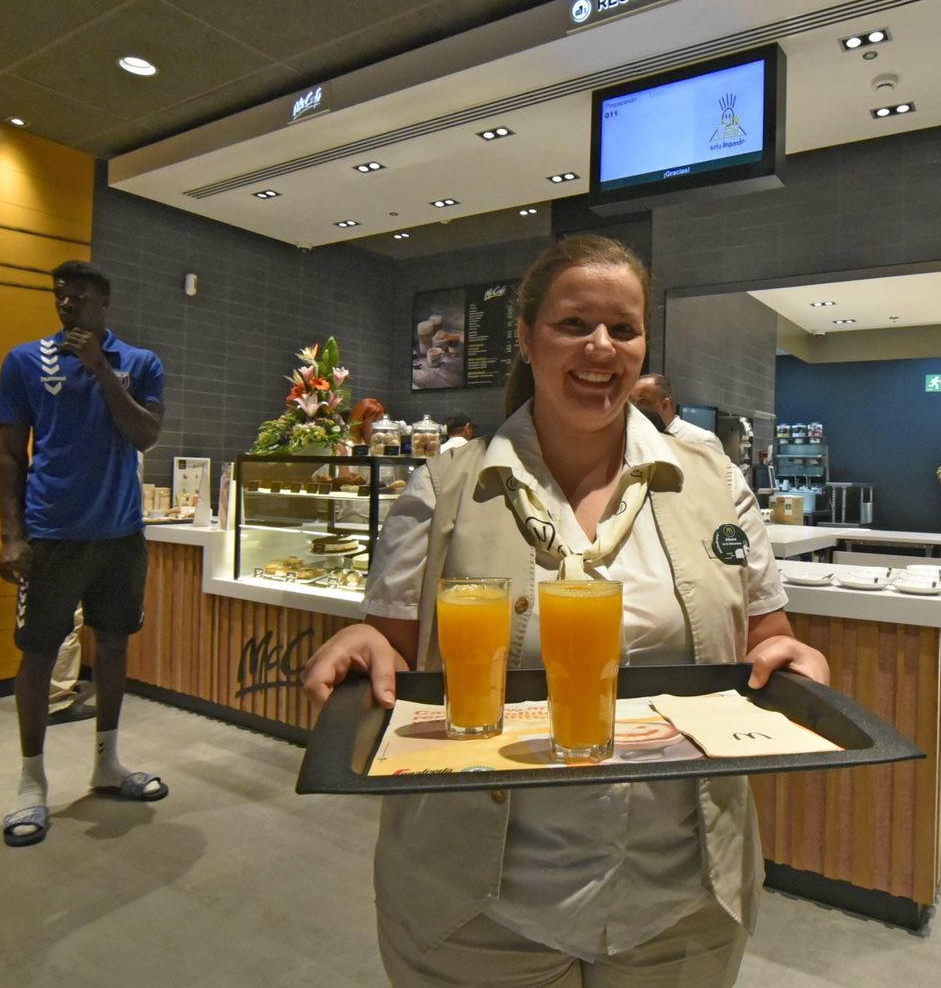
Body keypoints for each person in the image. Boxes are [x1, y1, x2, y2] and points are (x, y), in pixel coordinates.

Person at [301, 234, 828, 986]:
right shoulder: (447, 488)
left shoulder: (715, 482)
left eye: (624, 328)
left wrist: (796, 662)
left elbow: (767, 636)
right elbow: (388, 648)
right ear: (525, 337)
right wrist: (359, 642)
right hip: (480, 913)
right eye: (574, 324)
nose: (602, 347)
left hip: (681, 903)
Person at [0, 260, 168, 848]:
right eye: (59, 297)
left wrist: (100, 369)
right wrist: (11, 534)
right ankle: (31, 781)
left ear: (105, 301)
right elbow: (10, 454)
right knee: (39, 653)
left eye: (78, 297)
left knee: (114, 646)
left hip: (120, 533)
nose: (66, 306)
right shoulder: (24, 362)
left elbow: (144, 434)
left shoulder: (140, 363)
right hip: (51, 534)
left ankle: (107, 763)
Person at [629, 374, 728, 461]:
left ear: (665, 404)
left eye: (643, 402)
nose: (636, 408)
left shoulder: (702, 440)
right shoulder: (638, 437)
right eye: (633, 402)